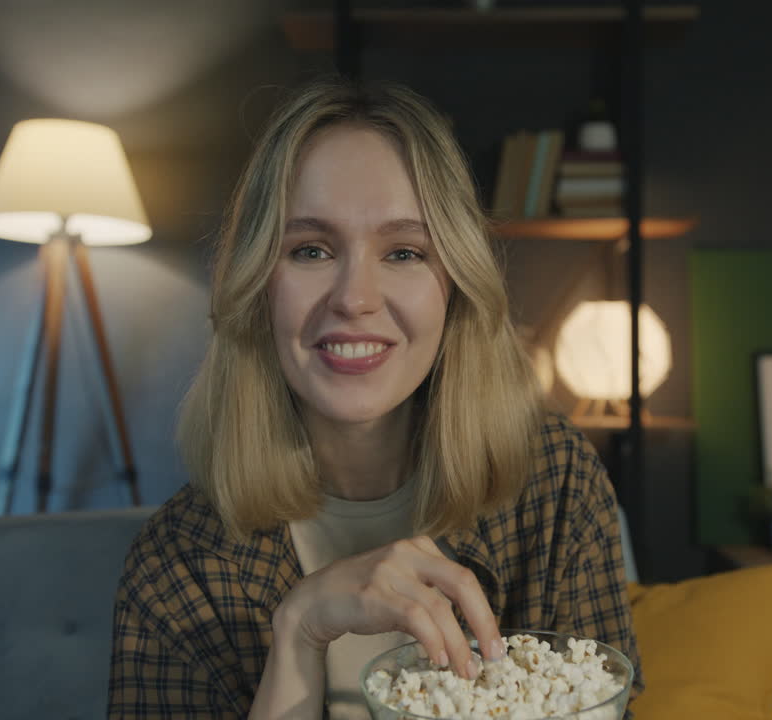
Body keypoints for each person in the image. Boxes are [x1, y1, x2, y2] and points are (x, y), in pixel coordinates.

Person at [107, 77, 642, 719]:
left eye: (403, 252)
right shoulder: (181, 564)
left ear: (455, 285)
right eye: (310, 249)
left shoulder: (553, 483)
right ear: (259, 287)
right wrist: (300, 626)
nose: (354, 298)